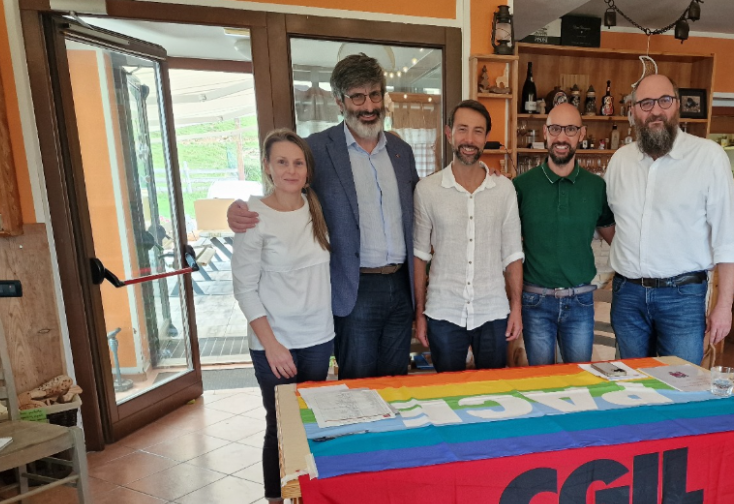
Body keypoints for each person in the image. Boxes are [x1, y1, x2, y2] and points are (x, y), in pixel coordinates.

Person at [228, 54, 419, 380]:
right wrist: (238, 210)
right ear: (339, 102)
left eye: (375, 94)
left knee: (396, 383)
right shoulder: (316, 149)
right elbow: (285, 190)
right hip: (353, 287)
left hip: (401, 287)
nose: (369, 105)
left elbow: (417, 207)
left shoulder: (402, 152)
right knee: (357, 387)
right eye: (357, 97)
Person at [232, 129, 333, 504]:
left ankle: (307, 503)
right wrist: (272, 345)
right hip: (274, 343)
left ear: (307, 169)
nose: (290, 170)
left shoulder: (316, 208)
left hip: (318, 338)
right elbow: (243, 287)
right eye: (281, 162)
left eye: (298, 162)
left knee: (310, 427)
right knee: (278, 426)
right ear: (267, 167)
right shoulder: (253, 216)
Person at [603, 74, 734, 365]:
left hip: (682, 297)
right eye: (645, 103)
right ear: (633, 111)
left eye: (664, 101)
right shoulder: (620, 161)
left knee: (682, 382)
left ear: (677, 105)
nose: (656, 110)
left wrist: (724, 305)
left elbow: (729, 238)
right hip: (628, 295)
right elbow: (610, 220)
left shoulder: (708, 157)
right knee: (631, 381)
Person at [413, 100, 524, 372]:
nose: (470, 139)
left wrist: (516, 307)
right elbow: (419, 256)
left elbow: (513, 254)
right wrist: (420, 313)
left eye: (478, 131)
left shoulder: (504, 189)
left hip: (493, 310)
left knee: (493, 390)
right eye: (462, 129)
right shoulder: (427, 190)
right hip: (443, 310)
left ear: (486, 138)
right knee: (448, 391)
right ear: (449, 133)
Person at [513, 103, 615, 365]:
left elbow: (614, 237)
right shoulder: (521, 186)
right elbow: (506, 244)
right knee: (541, 381)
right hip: (535, 301)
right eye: (555, 129)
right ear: (545, 133)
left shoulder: (596, 187)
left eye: (570, 129)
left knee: (580, 379)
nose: (561, 137)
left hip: (580, 300)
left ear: (582, 134)